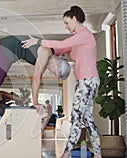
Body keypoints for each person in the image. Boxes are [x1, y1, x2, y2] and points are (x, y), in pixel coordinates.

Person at [22, 6, 102, 158]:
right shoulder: (78, 39)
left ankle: (66, 153)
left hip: (87, 80)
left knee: (76, 117)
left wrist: (38, 41)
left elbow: (61, 44)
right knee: (87, 118)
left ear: (74, 19)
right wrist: (43, 54)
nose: (66, 26)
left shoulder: (84, 35)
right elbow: (59, 50)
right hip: (88, 80)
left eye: (66, 23)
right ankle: (98, 154)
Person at [0, 35, 71, 129]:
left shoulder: (47, 59)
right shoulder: (46, 52)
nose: (51, 73)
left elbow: (38, 79)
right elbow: (36, 78)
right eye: (54, 72)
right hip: (8, 47)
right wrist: (35, 102)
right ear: (58, 64)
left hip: (10, 51)